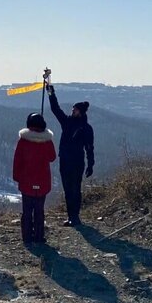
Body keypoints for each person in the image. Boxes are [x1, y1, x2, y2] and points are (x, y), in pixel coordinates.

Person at [48, 84, 95, 226]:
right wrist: (51, 92)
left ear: (79, 112)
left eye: (74, 109)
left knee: (75, 188)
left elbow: (89, 147)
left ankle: (75, 216)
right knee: (68, 189)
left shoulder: (85, 128)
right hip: (66, 160)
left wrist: (91, 163)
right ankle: (71, 216)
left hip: (76, 161)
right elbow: (55, 109)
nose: (72, 111)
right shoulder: (68, 122)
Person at [13, 112, 56, 244]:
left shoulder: (23, 140)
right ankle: (39, 237)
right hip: (43, 181)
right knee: (39, 210)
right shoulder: (47, 141)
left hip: (26, 180)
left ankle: (27, 237)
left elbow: (17, 160)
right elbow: (52, 157)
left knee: (27, 211)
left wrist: (17, 177)